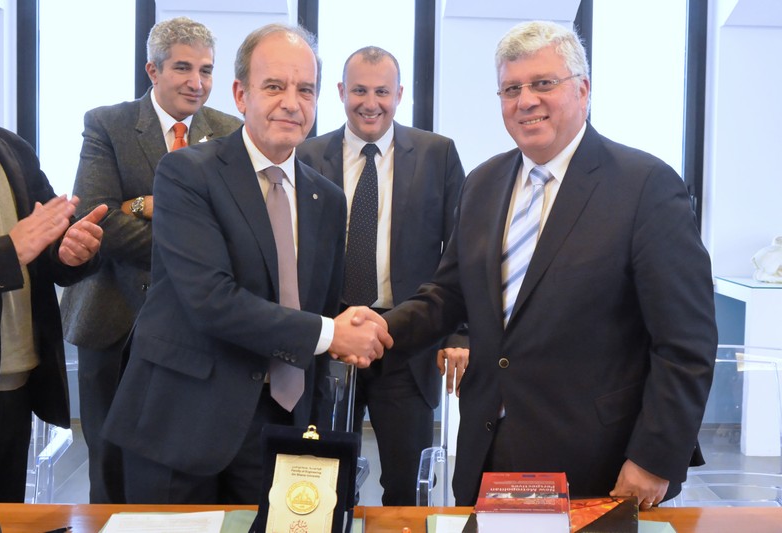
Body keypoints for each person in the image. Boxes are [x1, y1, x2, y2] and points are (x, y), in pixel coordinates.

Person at [381, 21, 717, 509]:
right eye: (511, 88)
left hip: (596, 464)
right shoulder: (483, 183)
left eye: (543, 83)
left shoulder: (645, 186)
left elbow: (686, 342)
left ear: (582, 89)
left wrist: (654, 458)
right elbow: (449, 294)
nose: (526, 100)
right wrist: (379, 329)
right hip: (486, 452)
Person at [101, 23, 392, 505]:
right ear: (241, 94)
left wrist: (317, 418)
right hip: (183, 426)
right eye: (274, 86)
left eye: (305, 90)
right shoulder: (187, 174)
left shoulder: (326, 198)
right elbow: (211, 300)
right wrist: (331, 333)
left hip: (282, 425)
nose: (291, 103)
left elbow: (318, 310)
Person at [58, 16, 242, 504]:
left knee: (185, 469)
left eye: (206, 70)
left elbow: (235, 229)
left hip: (197, 329)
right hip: (114, 321)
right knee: (111, 471)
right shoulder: (108, 124)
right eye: (183, 68)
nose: (196, 82)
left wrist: (135, 204)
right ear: (152, 70)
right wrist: (189, 245)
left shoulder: (229, 132)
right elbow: (99, 219)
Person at [297, 46, 466, 505]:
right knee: (322, 482)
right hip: (329, 343)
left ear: (400, 94)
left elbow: (461, 252)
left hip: (406, 343)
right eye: (359, 91)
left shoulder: (437, 154)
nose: (370, 103)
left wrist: (459, 333)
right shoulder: (306, 155)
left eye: (382, 92)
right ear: (340, 92)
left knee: (406, 487)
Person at [0, 21, 107, 502]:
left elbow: (49, 246)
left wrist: (73, 251)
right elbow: (18, 247)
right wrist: (8, 250)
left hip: (15, 386)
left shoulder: (11, 149)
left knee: (5, 519)